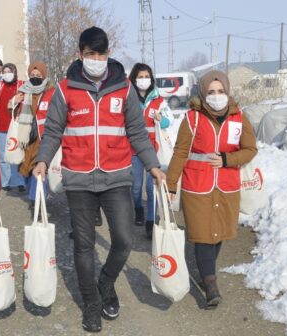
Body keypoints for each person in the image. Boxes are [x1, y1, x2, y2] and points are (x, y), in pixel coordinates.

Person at [32, 27, 165, 333]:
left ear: (108, 54)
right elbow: (53, 131)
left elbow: (137, 132)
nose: (95, 59)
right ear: (80, 54)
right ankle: (91, 304)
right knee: (83, 245)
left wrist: (153, 165)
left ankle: (105, 282)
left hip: (116, 177)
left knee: (124, 239)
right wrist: (42, 160)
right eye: (89, 54)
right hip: (78, 179)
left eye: (100, 54)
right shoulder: (65, 89)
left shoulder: (124, 88)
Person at [165, 70, 257, 309]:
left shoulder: (239, 117)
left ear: (227, 91)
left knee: (218, 234)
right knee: (203, 236)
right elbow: (180, 152)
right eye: (211, 92)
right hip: (198, 186)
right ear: (203, 94)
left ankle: (206, 273)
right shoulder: (192, 118)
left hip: (227, 186)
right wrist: (171, 183)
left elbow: (250, 149)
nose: (217, 96)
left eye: (221, 91)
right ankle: (210, 283)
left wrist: (228, 159)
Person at [128, 63, 172, 238]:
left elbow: (169, 121)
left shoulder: (159, 100)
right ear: (134, 79)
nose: (144, 80)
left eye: (147, 77)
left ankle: (151, 221)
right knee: (136, 186)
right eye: (140, 77)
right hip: (133, 150)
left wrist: (162, 119)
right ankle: (138, 208)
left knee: (152, 186)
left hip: (154, 150)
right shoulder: (129, 98)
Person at [15, 62, 55, 207]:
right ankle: (34, 195)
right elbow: (13, 115)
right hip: (26, 138)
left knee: (38, 167)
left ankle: (37, 200)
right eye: (32, 75)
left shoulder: (51, 92)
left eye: (38, 75)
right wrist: (14, 102)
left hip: (42, 137)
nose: (35, 77)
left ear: (44, 75)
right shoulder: (23, 91)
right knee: (25, 169)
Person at [0, 62, 26, 191]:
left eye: (9, 72)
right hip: (2, 126)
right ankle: (6, 182)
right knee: (3, 156)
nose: (7, 74)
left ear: (15, 72)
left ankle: (19, 181)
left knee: (18, 153)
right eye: (4, 72)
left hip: (18, 126)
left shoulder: (22, 85)